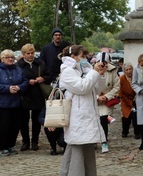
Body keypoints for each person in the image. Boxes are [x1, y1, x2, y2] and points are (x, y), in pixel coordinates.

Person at [59, 45, 107, 176]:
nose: (85, 59)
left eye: (86, 56)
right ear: (72, 57)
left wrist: (100, 75)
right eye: (82, 56)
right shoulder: (67, 71)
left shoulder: (85, 69)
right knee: (76, 151)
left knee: (87, 151)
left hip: (87, 116)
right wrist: (94, 73)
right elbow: (82, 87)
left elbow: (96, 89)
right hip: (77, 117)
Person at [17, 43, 52, 152]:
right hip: (25, 95)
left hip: (38, 94)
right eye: (28, 53)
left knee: (36, 120)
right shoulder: (19, 65)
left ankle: (35, 141)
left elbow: (49, 76)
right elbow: (16, 79)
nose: (31, 55)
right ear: (23, 54)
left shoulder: (40, 63)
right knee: (24, 120)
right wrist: (27, 82)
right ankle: (25, 141)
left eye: (32, 53)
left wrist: (43, 78)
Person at [0, 49, 28, 156]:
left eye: (12, 57)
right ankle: (3, 147)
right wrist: (7, 89)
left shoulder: (18, 69)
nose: (11, 59)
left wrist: (19, 87)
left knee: (15, 126)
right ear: (2, 59)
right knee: (4, 126)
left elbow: (25, 81)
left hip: (17, 103)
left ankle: (11, 145)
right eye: (7, 57)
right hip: (3, 103)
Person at [95, 52, 120, 153]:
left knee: (103, 119)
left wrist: (107, 96)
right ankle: (93, 140)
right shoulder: (92, 70)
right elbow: (88, 85)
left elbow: (117, 86)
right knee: (95, 121)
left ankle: (104, 141)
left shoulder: (112, 70)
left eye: (105, 63)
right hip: (95, 99)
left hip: (106, 100)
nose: (103, 65)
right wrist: (97, 97)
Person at [119, 62, 140, 139]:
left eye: (130, 69)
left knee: (135, 115)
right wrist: (129, 102)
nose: (129, 71)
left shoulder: (135, 77)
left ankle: (137, 133)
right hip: (125, 100)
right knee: (126, 117)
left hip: (135, 100)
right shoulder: (122, 79)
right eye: (127, 70)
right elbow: (120, 93)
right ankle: (125, 132)